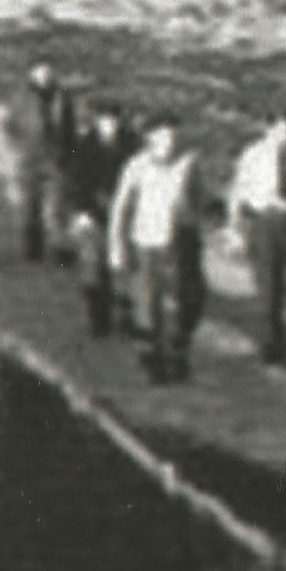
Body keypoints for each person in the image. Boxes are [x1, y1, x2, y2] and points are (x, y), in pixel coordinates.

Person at [110, 118, 203, 382]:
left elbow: (198, 199)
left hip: (178, 244)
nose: (169, 143)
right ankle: (152, 360)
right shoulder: (136, 166)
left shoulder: (189, 163)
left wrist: (192, 226)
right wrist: (117, 245)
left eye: (173, 137)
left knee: (179, 302)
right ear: (150, 140)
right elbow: (121, 206)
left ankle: (177, 356)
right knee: (148, 303)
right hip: (147, 242)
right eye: (162, 138)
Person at [228, 116, 286, 365]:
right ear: (268, 130)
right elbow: (238, 190)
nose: (285, 136)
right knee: (269, 288)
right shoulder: (253, 155)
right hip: (265, 223)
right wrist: (234, 228)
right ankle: (272, 343)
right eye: (280, 130)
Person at [60, 103, 135, 338]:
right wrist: (80, 212)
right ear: (97, 122)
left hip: (123, 214)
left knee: (123, 267)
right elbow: (75, 182)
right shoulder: (85, 147)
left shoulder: (131, 145)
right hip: (94, 214)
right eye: (105, 120)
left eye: (114, 120)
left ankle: (125, 317)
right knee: (94, 266)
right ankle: (98, 319)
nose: (110, 125)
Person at [17, 60, 82, 265]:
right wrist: (23, 146)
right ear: (32, 74)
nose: (45, 76)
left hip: (56, 159)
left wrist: (69, 155)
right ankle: (33, 250)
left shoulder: (62, 97)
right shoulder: (21, 98)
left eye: (48, 72)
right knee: (31, 206)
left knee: (57, 208)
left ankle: (59, 250)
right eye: (40, 72)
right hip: (30, 159)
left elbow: (70, 129)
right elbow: (10, 125)